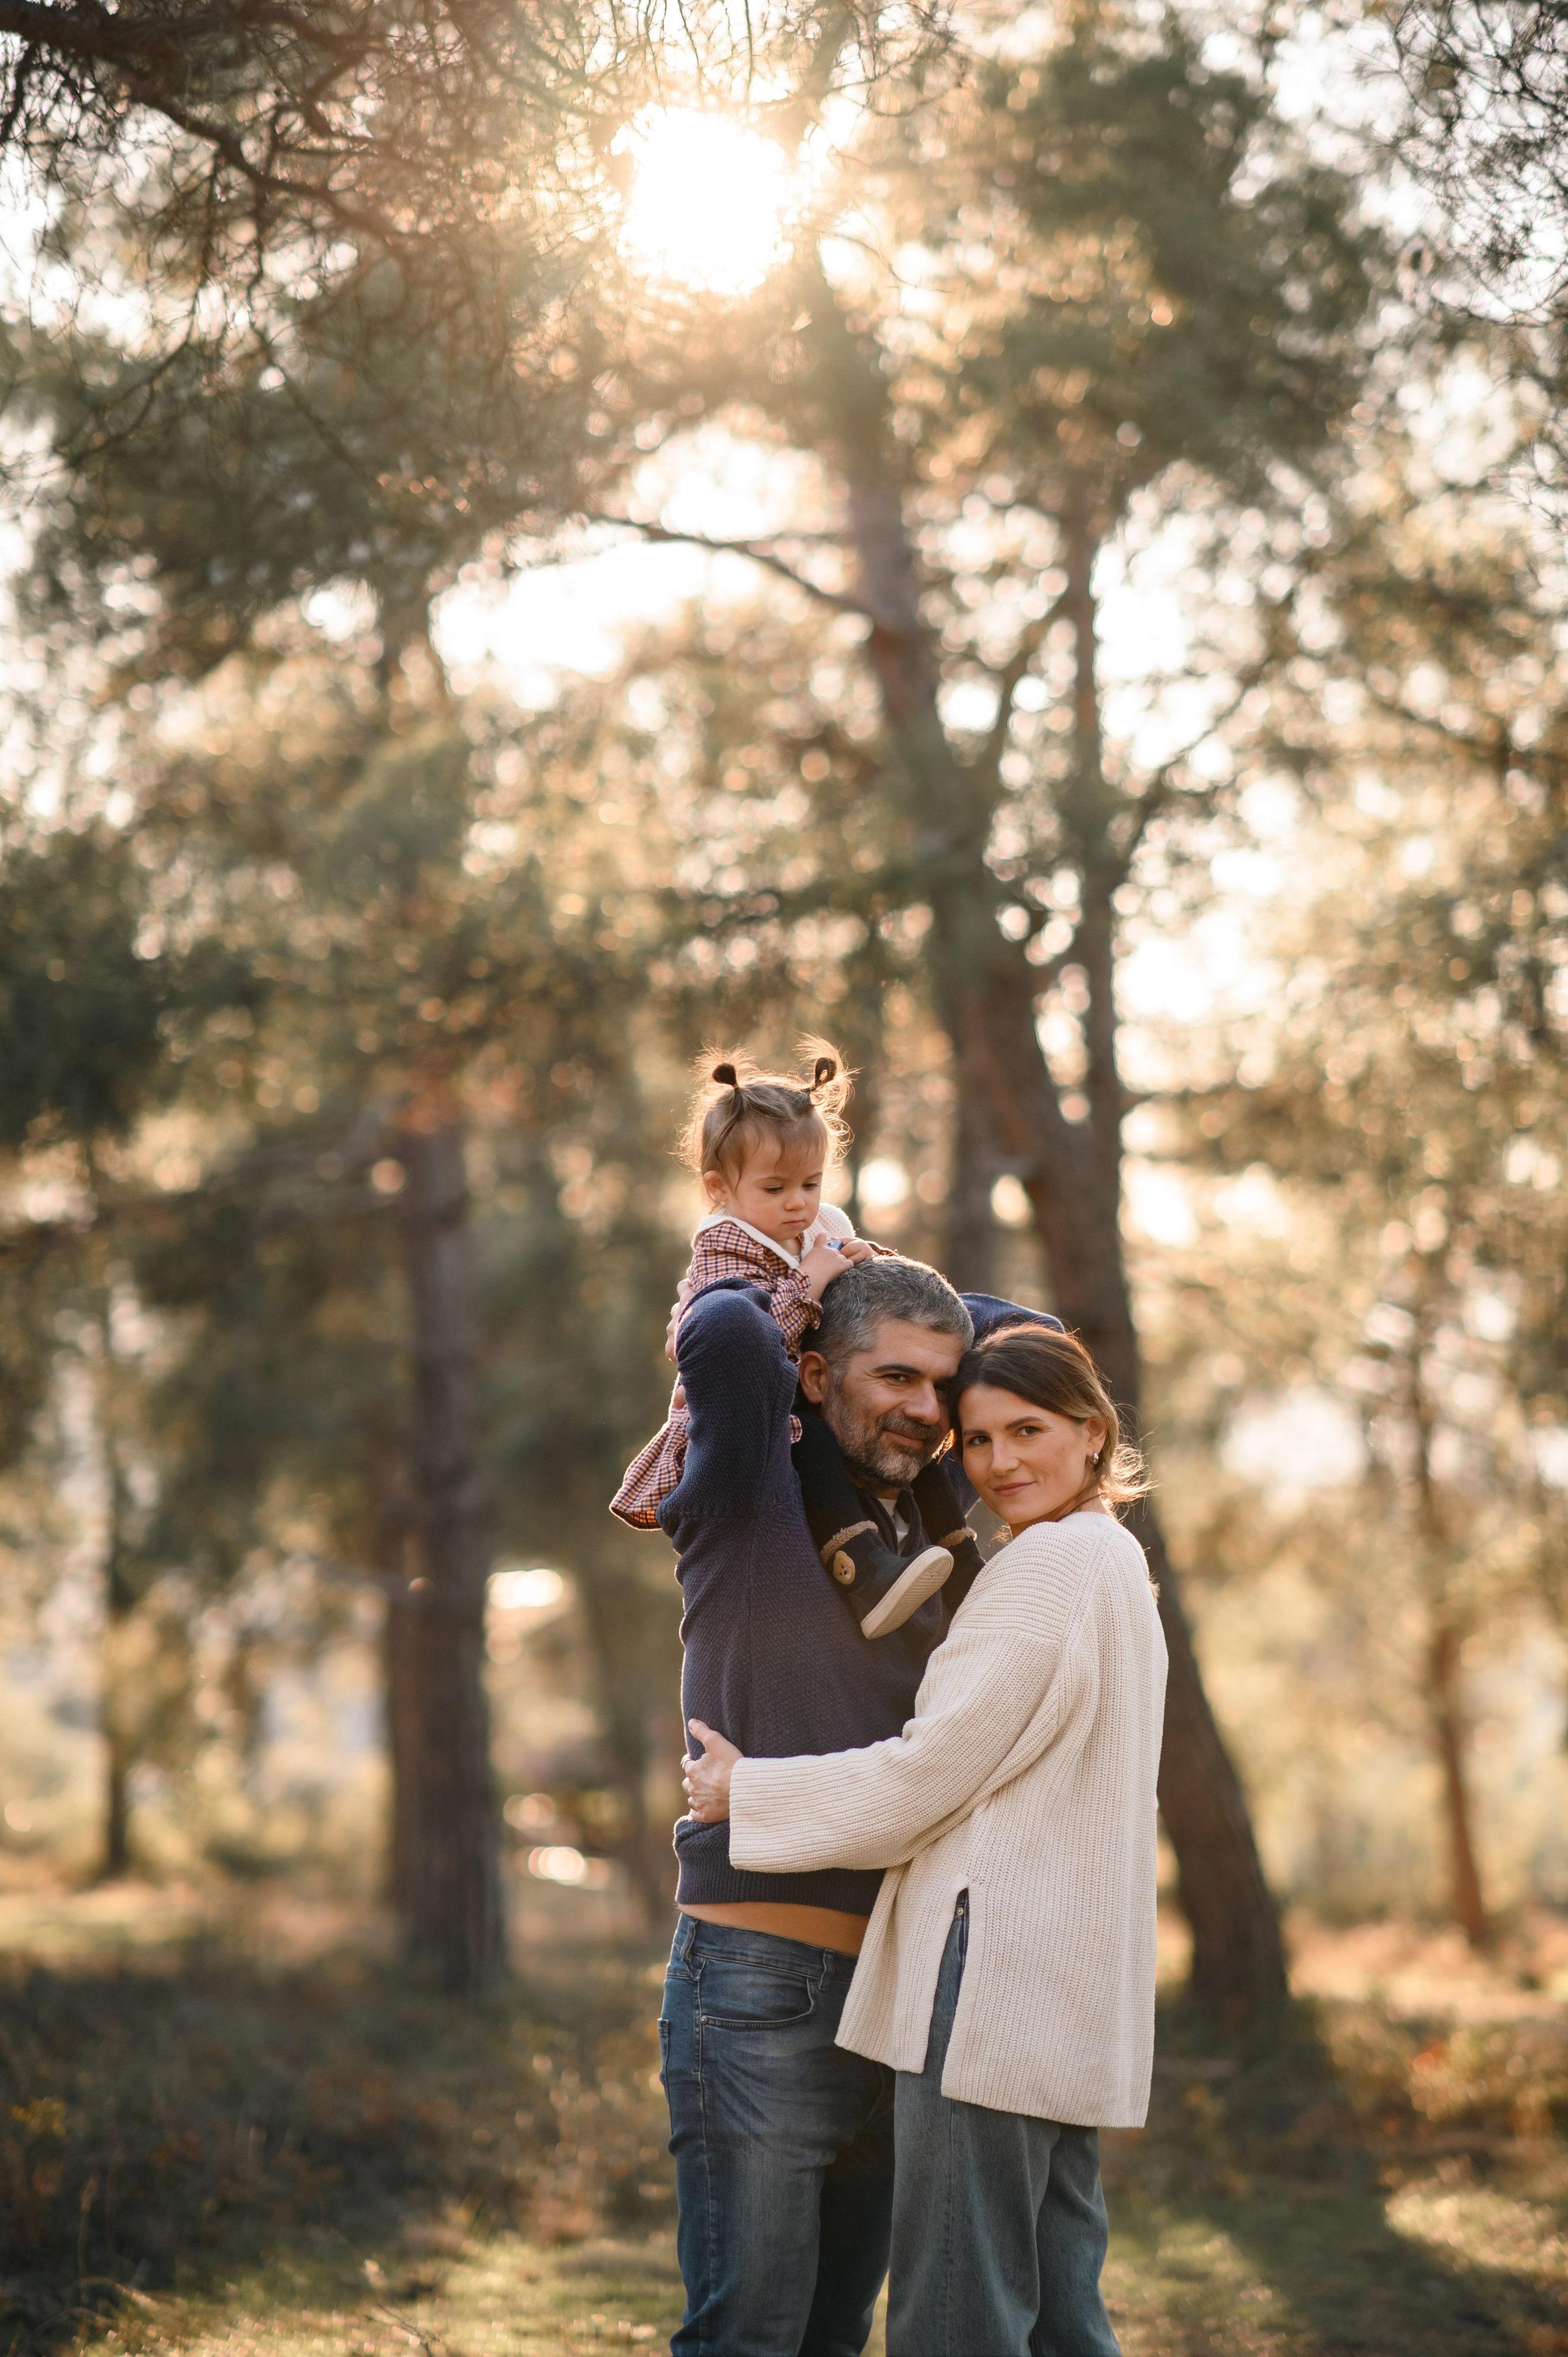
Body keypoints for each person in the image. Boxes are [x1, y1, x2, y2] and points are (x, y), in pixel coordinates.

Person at [684, 1324, 1167, 2357]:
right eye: (979, 1440)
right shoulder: (1116, 1562)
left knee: (960, 2308)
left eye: (1029, 1429)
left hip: (991, 1980)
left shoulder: (1047, 1566)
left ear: (1093, 1433)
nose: (1001, 1464)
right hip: (1069, 1987)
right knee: (1060, 2312)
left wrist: (747, 1790)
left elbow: (926, 1774)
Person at [612, 1041, 984, 1635]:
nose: (798, 1203)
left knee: (918, 1425)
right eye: (775, 1187)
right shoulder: (723, 1247)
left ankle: (965, 1563)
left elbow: (861, 1300)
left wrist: (867, 1257)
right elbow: (751, 1339)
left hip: (813, 1384)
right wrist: (810, 1280)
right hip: (753, 1418)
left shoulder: (817, 1223)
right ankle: (862, 1569)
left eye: (811, 1183)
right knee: (811, 1438)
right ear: (718, 1187)